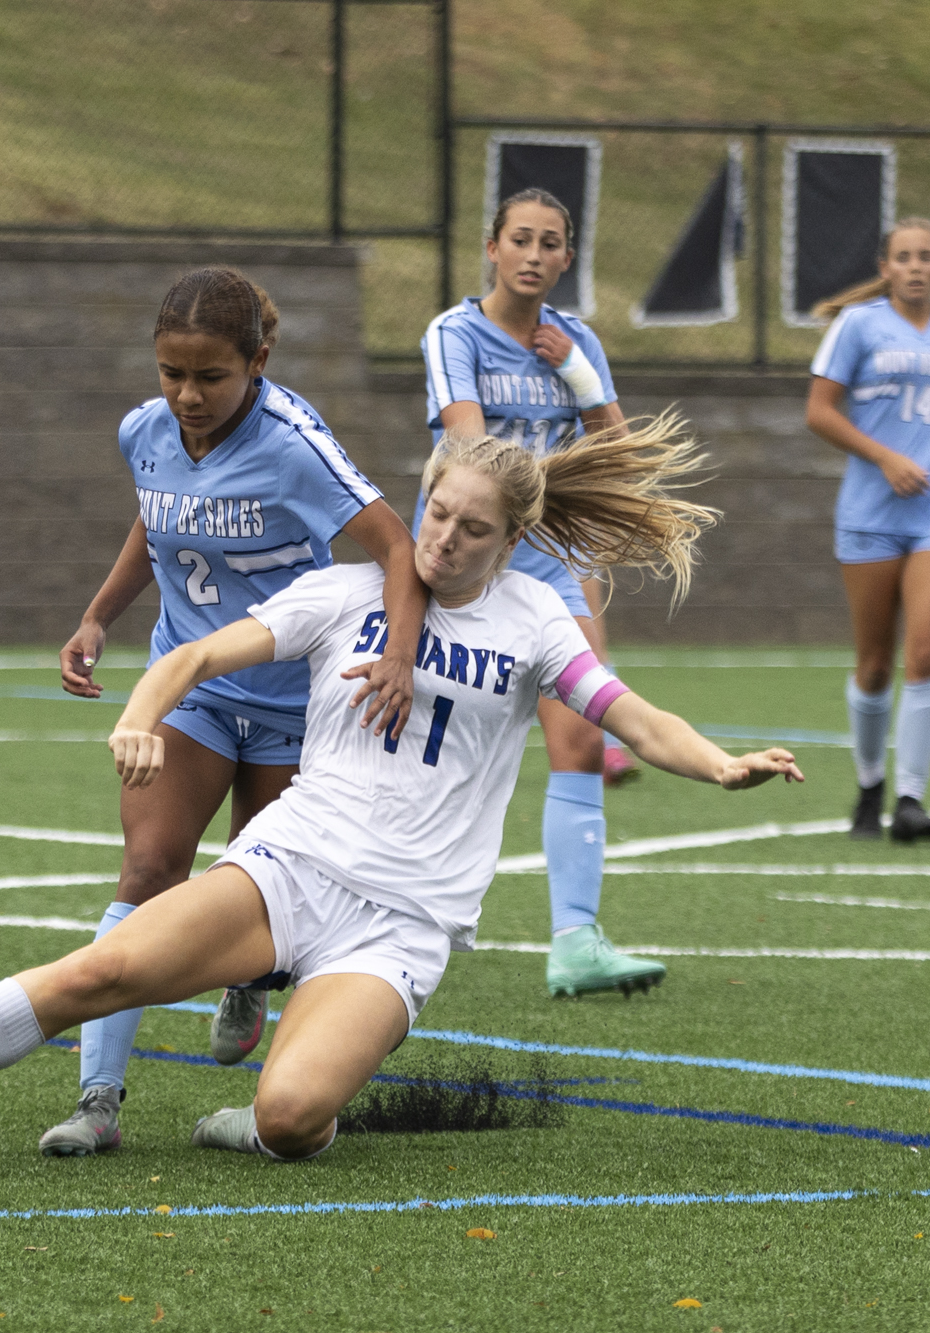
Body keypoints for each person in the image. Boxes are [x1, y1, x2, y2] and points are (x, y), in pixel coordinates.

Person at [0, 420, 802, 1162]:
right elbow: (199, 651)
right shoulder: (343, 593)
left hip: (402, 923)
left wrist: (716, 762)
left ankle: (260, 1115)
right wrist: (136, 714)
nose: (444, 539)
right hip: (289, 866)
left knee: (292, 1120)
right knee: (98, 970)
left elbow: (627, 712)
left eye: (473, 529)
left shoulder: (534, 618)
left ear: (510, 540)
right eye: (437, 514)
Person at [44, 265, 427, 1157]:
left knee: (274, 900)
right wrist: (99, 616)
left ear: (258, 360)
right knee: (147, 867)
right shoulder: (146, 430)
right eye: (171, 373)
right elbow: (157, 522)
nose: (187, 395)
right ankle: (98, 1101)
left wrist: (398, 659)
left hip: (300, 703)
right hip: (199, 690)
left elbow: (399, 545)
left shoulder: (295, 443)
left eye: (210, 376)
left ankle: (252, 982)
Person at [415, 187, 656, 998]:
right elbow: (470, 448)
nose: (533, 254)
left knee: (583, 737)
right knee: (422, 738)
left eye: (550, 243)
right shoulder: (454, 333)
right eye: (520, 238)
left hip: (548, 563)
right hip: (462, 555)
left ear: (566, 257)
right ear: (492, 247)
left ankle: (575, 939)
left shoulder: (575, 340)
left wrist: (585, 379)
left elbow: (619, 456)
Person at [806, 217, 930, 843]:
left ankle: (911, 800)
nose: (916, 266)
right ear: (885, 268)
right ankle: (869, 787)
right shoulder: (857, 326)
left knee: (926, 652)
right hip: (870, 514)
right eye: (903, 257)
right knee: (873, 665)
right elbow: (819, 411)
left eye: (927, 257)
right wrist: (884, 457)